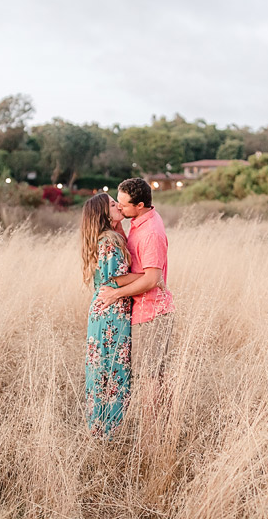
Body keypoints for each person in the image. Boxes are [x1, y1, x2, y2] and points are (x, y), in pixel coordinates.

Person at [95, 178, 176, 422]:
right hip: (144, 312)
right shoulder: (140, 221)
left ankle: (152, 435)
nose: (119, 208)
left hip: (152, 314)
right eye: (116, 204)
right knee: (153, 377)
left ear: (140, 205)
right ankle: (160, 428)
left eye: (123, 206)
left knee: (150, 379)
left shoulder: (150, 233)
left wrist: (115, 293)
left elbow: (152, 279)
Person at [80, 192, 155, 439]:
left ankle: (103, 430)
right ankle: (107, 433)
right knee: (112, 371)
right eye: (113, 204)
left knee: (105, 370)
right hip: (110, 314)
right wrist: (151, 277)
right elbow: (116, 278)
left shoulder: (111, 236)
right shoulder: (109, 241)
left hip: (108, 310)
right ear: (104, 213)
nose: (119, 205)